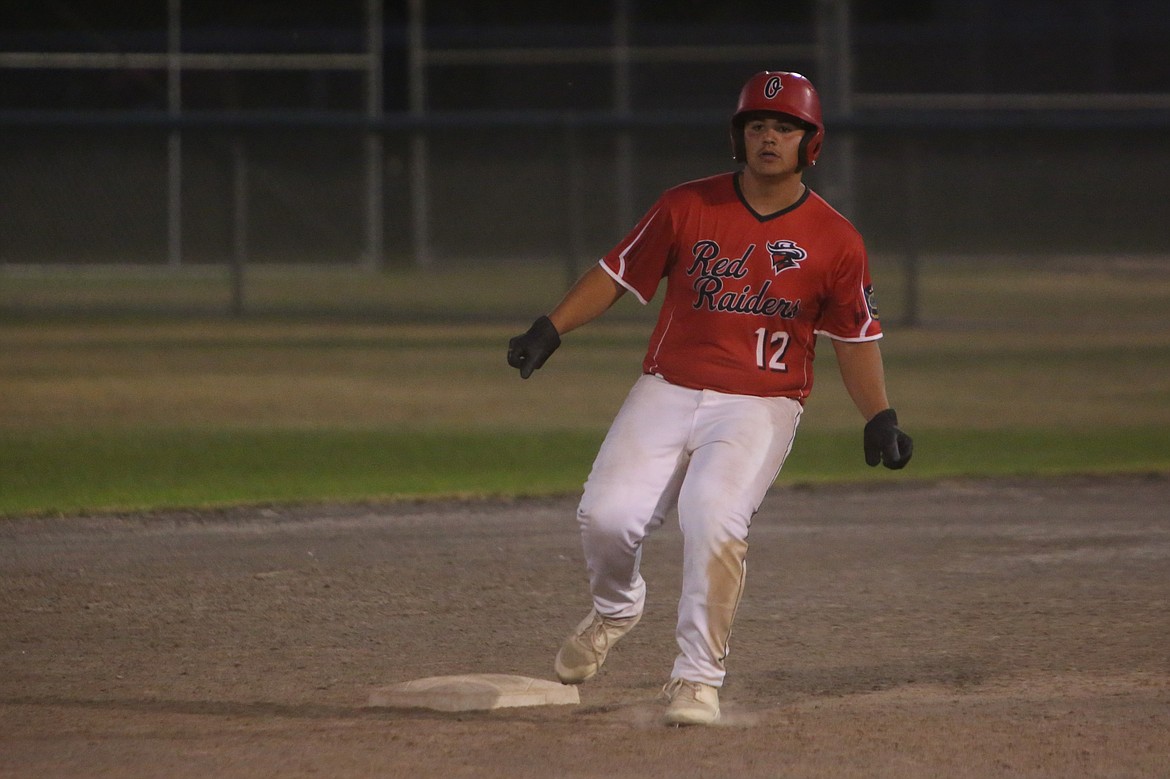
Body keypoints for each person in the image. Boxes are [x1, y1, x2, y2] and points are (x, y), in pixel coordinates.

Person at [506, 70, 913, 726]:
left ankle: (696, 678)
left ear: (811, 143)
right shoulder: (685, 205)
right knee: (606, 517)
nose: (769, 137)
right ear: (738, 137)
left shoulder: (837, 238)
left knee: (712, 514)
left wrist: (879, 415)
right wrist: (551, 326)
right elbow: (615, 273)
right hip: (667, 386)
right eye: (757, 125)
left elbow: (853, 334)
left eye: (785, 127)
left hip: (762, 403)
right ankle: (616, 608)